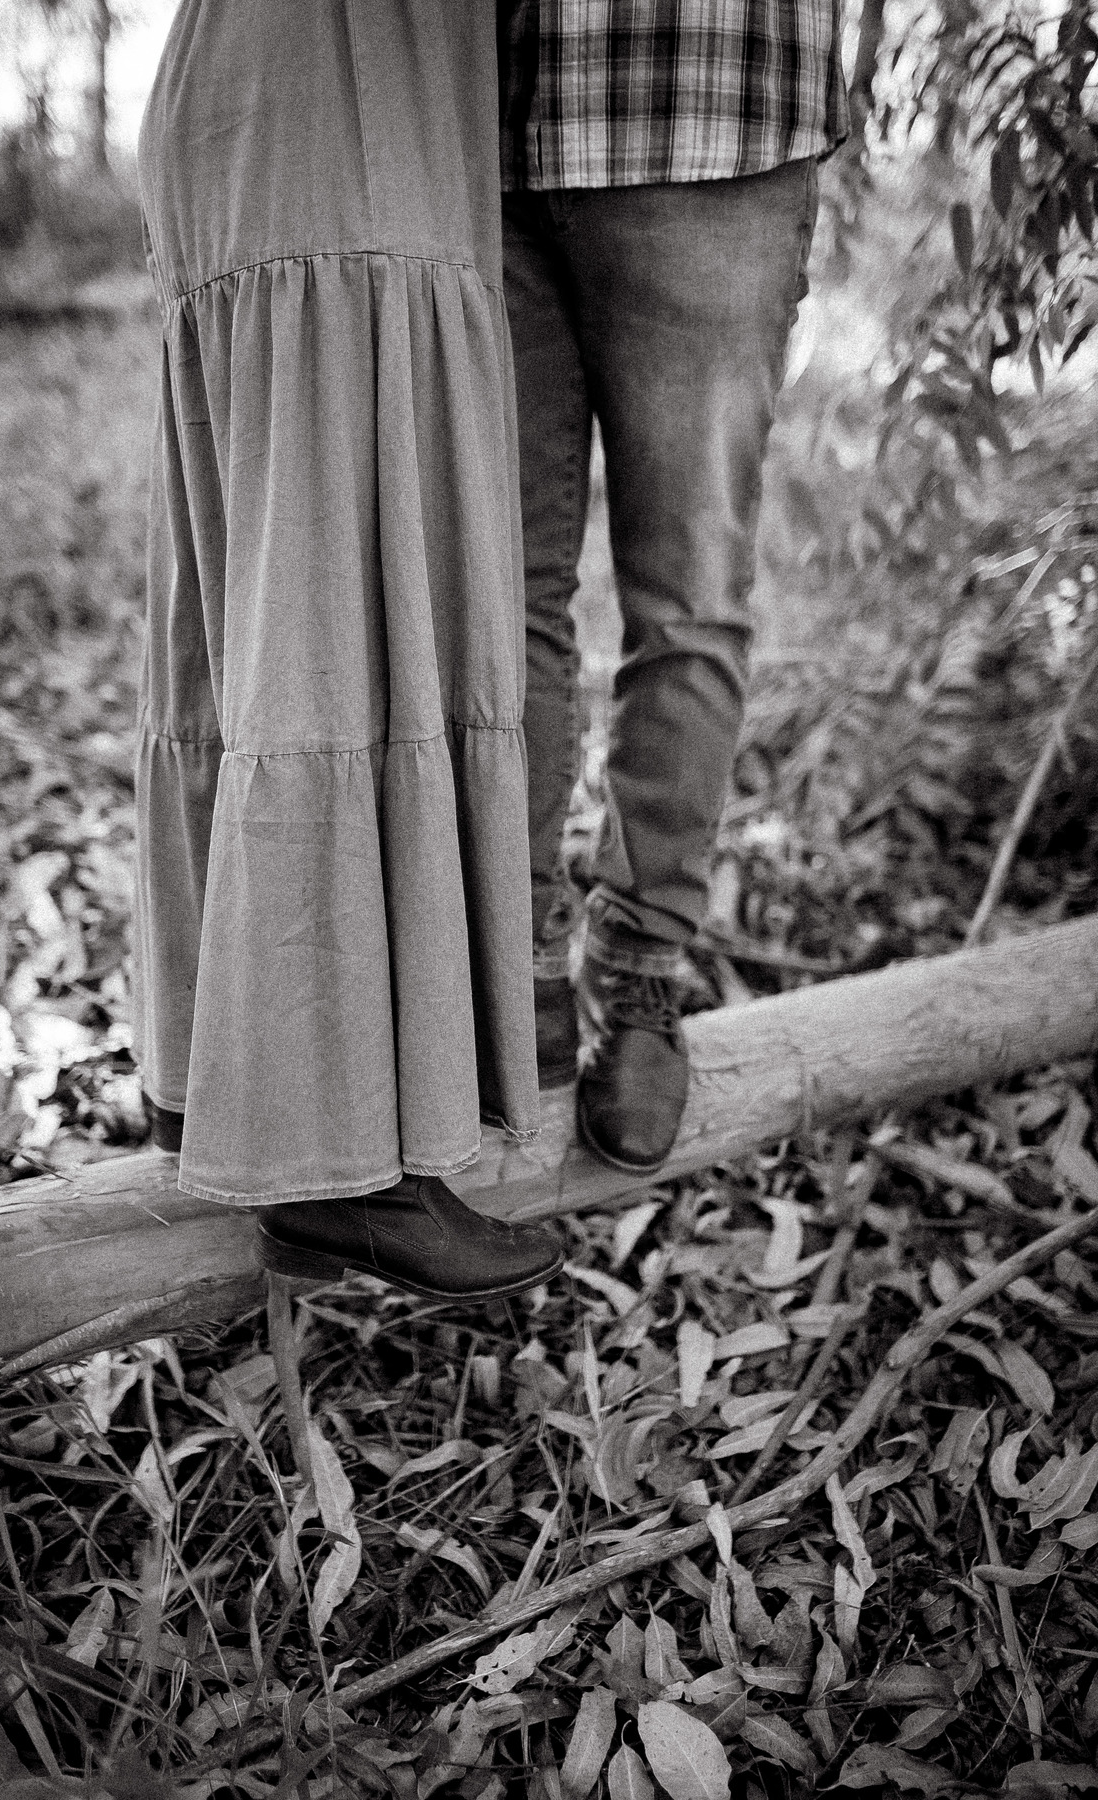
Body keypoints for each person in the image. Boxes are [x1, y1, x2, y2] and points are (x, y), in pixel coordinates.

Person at [132, 0, 563, 1302]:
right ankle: (337, 1174)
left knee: (256, 622)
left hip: (266, 105)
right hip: (346, 119)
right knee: (323, 632)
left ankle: (212, 1080)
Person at [500, 0, 849, 1172]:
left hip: (708, 108)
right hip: (481, 137)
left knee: (688, 595)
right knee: (498, 600)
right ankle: (521, 962)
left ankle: (643, 974)